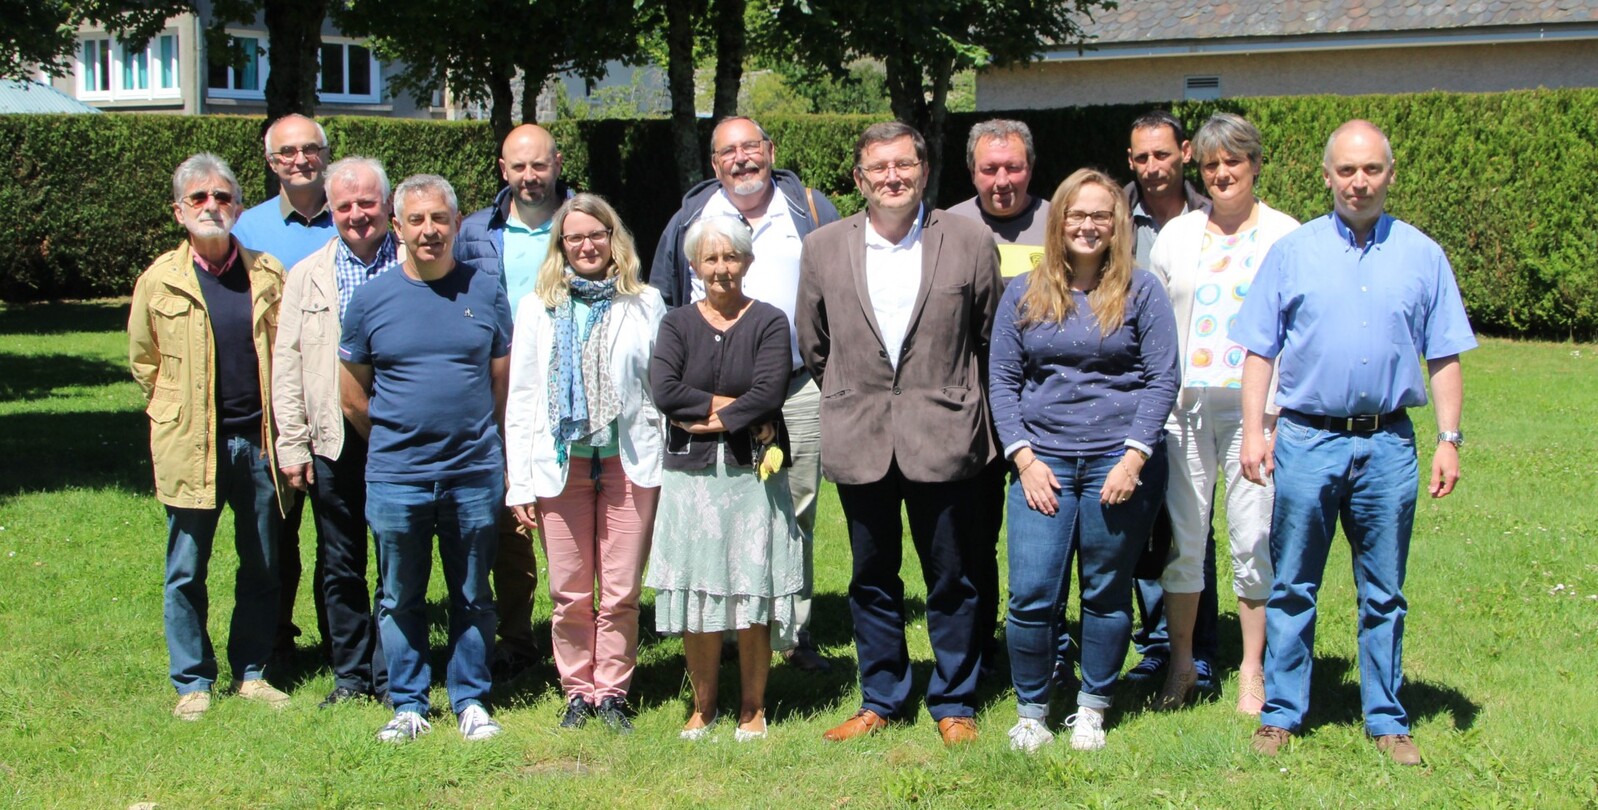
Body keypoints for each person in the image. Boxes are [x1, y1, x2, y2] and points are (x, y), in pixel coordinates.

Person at [1236, 120, 1475, 766]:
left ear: (1390, 175)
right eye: (1347, 170)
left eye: (1371, 169)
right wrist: (1254, 430)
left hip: (1388, 444)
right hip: (1306, 440)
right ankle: (1282, 713)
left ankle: (1387, 718)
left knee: (1384, 591)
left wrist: (1449, 439)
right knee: (1293, 583)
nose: (1359, 182)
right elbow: (1259, 349)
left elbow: (1444, 354)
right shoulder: (1293, 252)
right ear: (1327, 176)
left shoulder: (1422, 255)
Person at [797, 122, 1000, 747]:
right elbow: (814, 342)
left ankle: (955, 700)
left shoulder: (968, 239)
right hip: (861, 435)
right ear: (859, 179)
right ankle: (881, 697)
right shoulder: (823, 247)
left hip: (945, 435)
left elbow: (988, 336)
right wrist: (855, 392)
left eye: (904, 165)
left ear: (924, 170)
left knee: (953, 578)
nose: (893, 177)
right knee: (871, 576)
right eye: (879, 167)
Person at [990, 168, 1179, 753]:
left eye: (1101, 215)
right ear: (1059, 221)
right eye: (1077, 214)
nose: (1088, 225)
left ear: (1118, 223)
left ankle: (1093, 707)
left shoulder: (1143, 290)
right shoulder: (1024, 291)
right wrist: (1023, 459)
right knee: (1030, 594)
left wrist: (1134, 458)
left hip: (1117, 462)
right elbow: (1002, 380)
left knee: (1106, 590)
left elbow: (1162, 378)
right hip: (1042, 464)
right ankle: (1032, 711)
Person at [650, 116, 840, 673]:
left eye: (750, 147)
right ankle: (727, 630)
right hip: (704, 396)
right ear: (714, 164)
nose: (742, 159)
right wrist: (702, 401)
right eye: (728, 151)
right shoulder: (691, 217)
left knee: (793, 510)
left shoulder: (808, 209)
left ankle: (792, 631)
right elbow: (665, 297)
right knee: (714, 514)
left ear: (770, 150)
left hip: (796, 387)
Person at [339, 174, 513, 743]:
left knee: (473, 594)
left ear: (457, 223)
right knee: (399, 596)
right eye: (416, 220)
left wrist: (479, 439)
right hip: (397, 476)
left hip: (473, 472)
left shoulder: (486, 291)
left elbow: (500, 381)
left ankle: (471, 699)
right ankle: (409, 703)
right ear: (398, 228)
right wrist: (398, 439)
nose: (429, 230)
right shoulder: (370, 300)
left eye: (439, 218)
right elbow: (352, 395)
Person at [1146, 113, 1300, 714]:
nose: (1222, 173)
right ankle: (1182, 665)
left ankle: (1253, 670)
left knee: (1252, 537)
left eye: (1233, 161)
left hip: (1254, 414)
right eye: (1211, 164)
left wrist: (1276, 417)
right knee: (1184, 541)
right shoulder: (1177, 236)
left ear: (1255, 164)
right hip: (1184, 412)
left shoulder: (1286, 235)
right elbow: (1156, 323)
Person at [129, 153, 291, 720]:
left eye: (222, 196)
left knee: (263, 563)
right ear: (179, 211)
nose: (211, 206)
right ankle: (192, 681)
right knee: (186, 569)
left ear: (238, 208)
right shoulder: (160, 280)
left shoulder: (268, 273)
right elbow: (144, 361)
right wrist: (175, 410)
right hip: (189, 444)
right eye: (198, 198)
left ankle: (252, 672)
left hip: (258, 443)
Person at [503, 194, 663, 734]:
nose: (587, 245)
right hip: (560, 464)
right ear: (561, 245)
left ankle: (612, 691)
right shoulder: (537, 307)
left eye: (597, 234)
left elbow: (660, 388)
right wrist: (520, 483)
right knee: (568, 591)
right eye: (575, 237)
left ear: (613, 239)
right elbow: (522, 398)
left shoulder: (645, 302)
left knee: (621, 590)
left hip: (629, 462)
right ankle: (577, 690)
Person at [647, 215, 804, 743]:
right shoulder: (676, 324)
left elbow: (770, 392)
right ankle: (703, 706)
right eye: (711, 258)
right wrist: (736, 407)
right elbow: (665, 390)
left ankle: (753, 708)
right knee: (699, 592)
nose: (721, 268)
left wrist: (711, 417)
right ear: (695, 265)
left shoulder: (770, 321)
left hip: (751, 477)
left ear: (748, 262)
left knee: (751, 591)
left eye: (731, 256)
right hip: (690, 480)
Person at [273, 156, 403, 709]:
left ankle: (393, 672)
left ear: (387, 205)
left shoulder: (414, 264)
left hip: (399, 436)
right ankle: (351, 675)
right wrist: (292, 441)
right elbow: (287, 362)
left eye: (367, 203)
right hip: (333, 436)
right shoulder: (307, 274)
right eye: (345, 205)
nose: (357, 215)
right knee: (340, 561)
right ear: (331, 210)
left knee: (397, 559)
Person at [458, 123, 572, 680]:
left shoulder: (583, 221)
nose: (530, 176)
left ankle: (580, 631)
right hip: (498, 386)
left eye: (539, 164)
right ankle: (517, 636)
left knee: (572, 511)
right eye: (518, 166)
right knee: (510, 513)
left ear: (557, 164)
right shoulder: (475, 232)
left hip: (570, 385)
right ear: (503, 169)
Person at [946, 117, 1051, 680]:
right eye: (990, 169)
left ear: (1030, 169)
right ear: (973, 172)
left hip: (1052, 405)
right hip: (975, 409)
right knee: (973, 537)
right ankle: (981, 647)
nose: (1002, 180)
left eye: (1013, 167)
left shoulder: (1060, 221)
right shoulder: (948, 227)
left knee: (1051, 534)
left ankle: (1052, 646)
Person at [233, 113, 338, 664]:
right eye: (287, 152)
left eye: (310, 149)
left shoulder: (352, 216)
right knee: (276, 530)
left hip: (342, 396)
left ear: (326, 153)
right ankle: (274, 638)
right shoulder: (246, 230)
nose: (300, 160)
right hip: (276, 401)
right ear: (271, 162)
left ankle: (341, 642)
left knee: (339, 533)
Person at [1122, 110, 1221, 689]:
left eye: (1162, 154)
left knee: (1193, 520)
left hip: (1200, 392)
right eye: (1141, 157)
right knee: (1142, 520)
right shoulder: (1113, 214)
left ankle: (1200, 647)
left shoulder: (1215, 214)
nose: (1152, 167)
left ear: (1185, 153)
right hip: (1130, 389)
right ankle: (1158, 644)